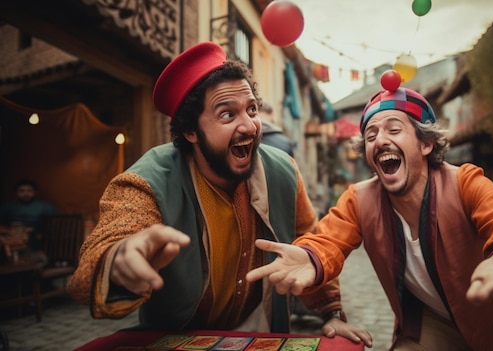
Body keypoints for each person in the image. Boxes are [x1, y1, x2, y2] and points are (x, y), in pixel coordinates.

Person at [67, 41, 371, 346]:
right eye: (227, 115)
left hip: (261, 328)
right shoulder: (145, 181)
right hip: (180, 337)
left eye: (252, 109)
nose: (250, 126)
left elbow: (309, 241)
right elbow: (91, 267)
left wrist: (331, 313)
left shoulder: (283, 171)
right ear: (191, 131)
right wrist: (119, 259)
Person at [246, 83, 493, 350]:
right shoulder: (360, 198)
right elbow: (328, 240)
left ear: (425, 144)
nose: (380, 140)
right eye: (371, 134)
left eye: (394, 130)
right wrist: (309, 256)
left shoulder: (464, 182)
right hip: (429, 324)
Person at [0, 178, 58, 253]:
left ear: (36, 192)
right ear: (15, 192)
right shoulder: (8, 207)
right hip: (12, 236)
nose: (25, 194)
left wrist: (42, 235)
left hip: (36, 239)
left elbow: (56, 224)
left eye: (29, 191)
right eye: (22, 191)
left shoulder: (45, 207)